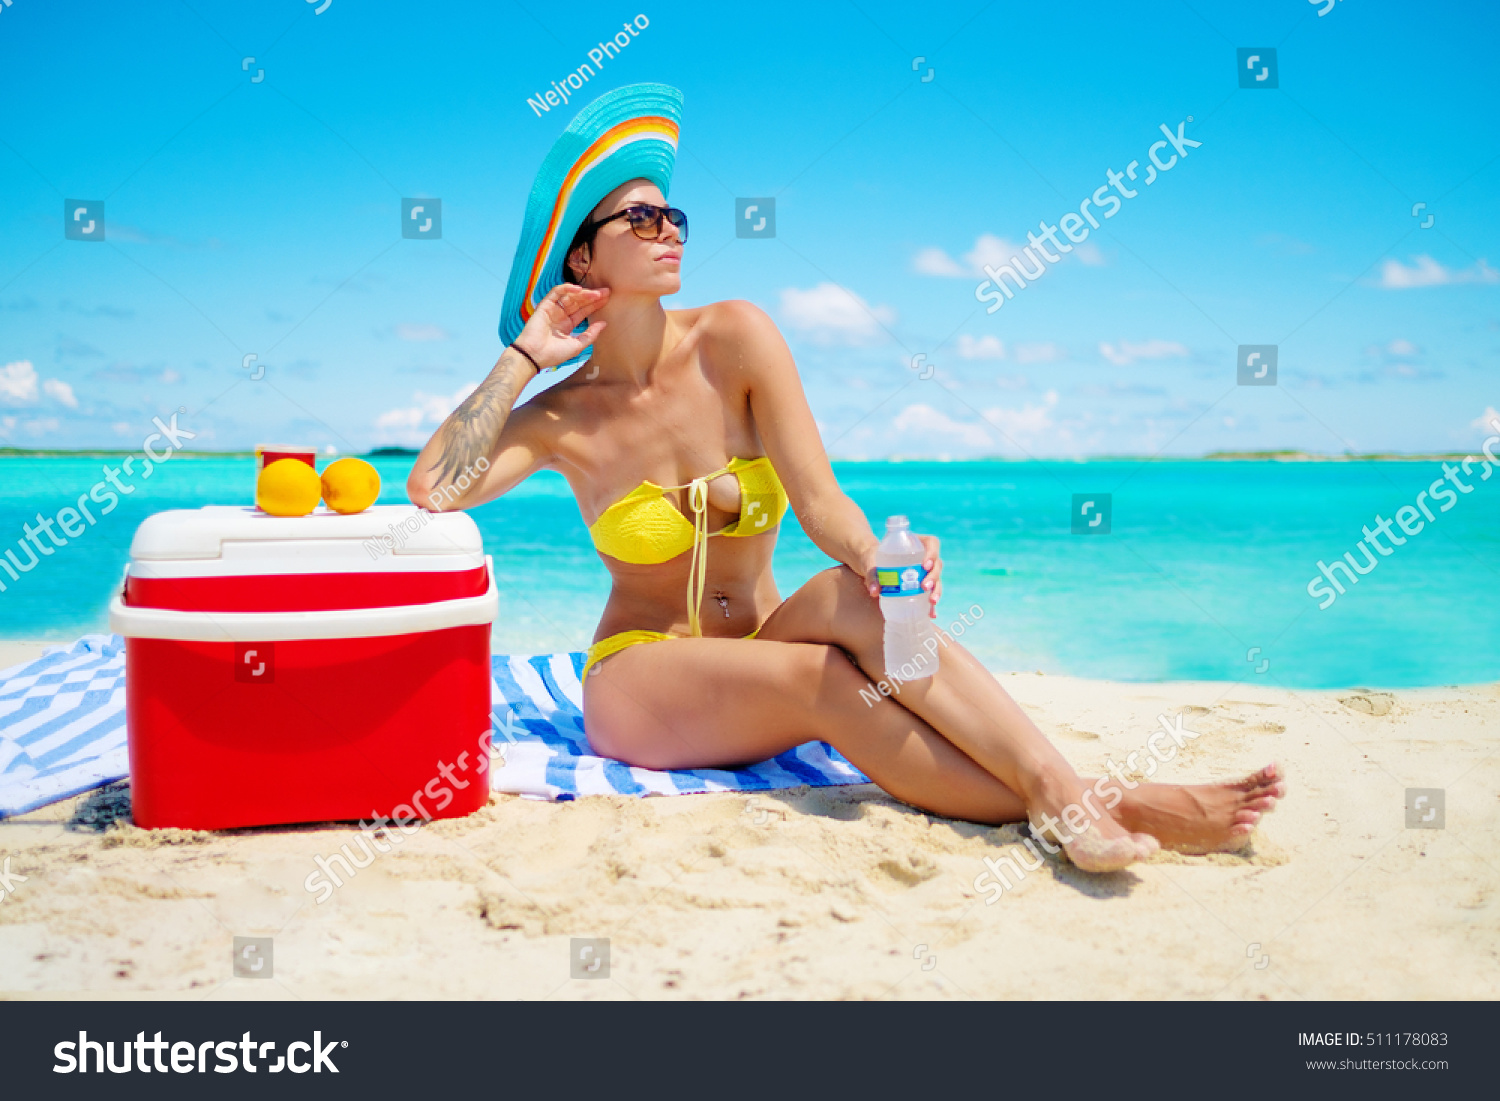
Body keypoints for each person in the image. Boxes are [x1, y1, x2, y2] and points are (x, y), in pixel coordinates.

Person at [408, 84, 1284, 873]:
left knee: (858, 599)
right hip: (643, 679)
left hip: (764, 644)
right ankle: (1113, 801)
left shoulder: (737, 338)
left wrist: (877, 555)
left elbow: (822, 500)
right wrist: (524, 357)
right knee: (833, 682)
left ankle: (1059, 784)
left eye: (674, 216)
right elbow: (434, 487)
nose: (669, 229)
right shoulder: (563, 417)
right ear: (584, 263)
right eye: (639, 220)